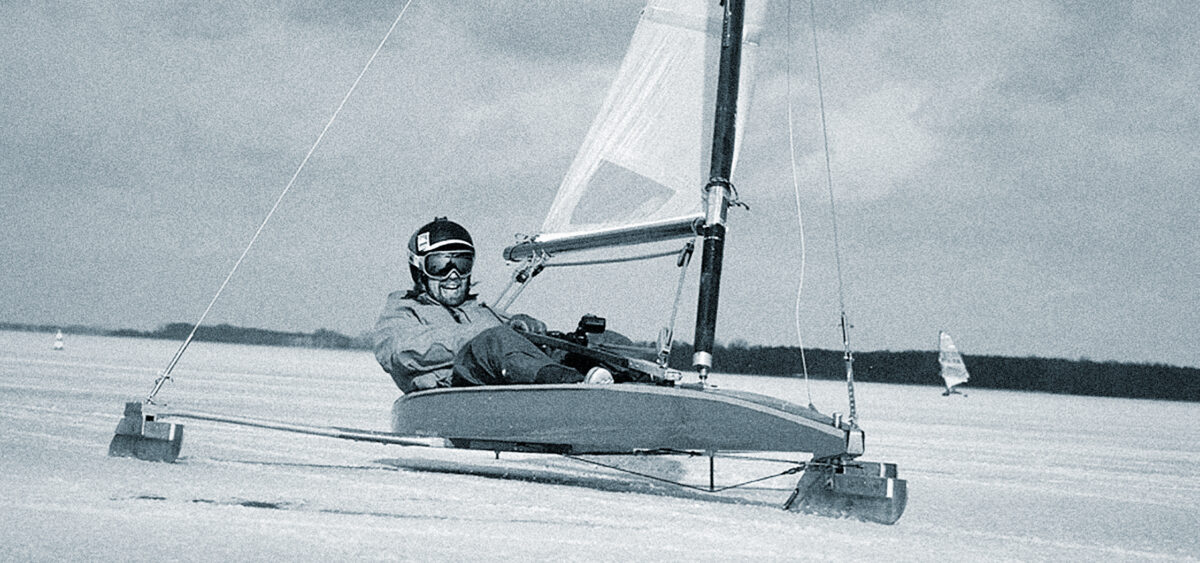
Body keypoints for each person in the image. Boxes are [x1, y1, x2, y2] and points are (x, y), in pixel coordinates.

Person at [372, 217, 612, 393]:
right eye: (440, 266)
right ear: (419, 271)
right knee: (494, 340)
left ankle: (637, 383)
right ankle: (578, 389)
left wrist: (528, 328)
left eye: (462, 264)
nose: (453, 275)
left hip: (509, 383)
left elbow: (511, 344)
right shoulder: (402, 311)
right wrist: (482, 336)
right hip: (456, 392)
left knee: (597, 341)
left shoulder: (481, 311)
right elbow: (400, 352)